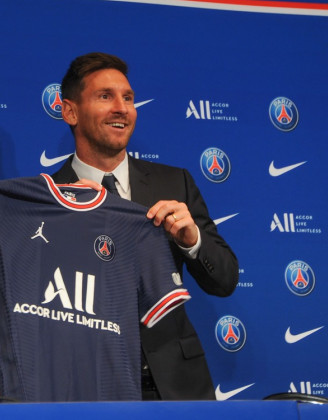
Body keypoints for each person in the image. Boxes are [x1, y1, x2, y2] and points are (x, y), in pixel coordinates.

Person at [52, 52, 239, 400]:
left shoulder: (175, 184)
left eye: (128, 98)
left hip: (176, 387)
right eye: (105, 96)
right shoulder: (47, 199)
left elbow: (225, 279)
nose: (122, 108)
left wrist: (192, 241)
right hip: (89, 389)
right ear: (70, 111)